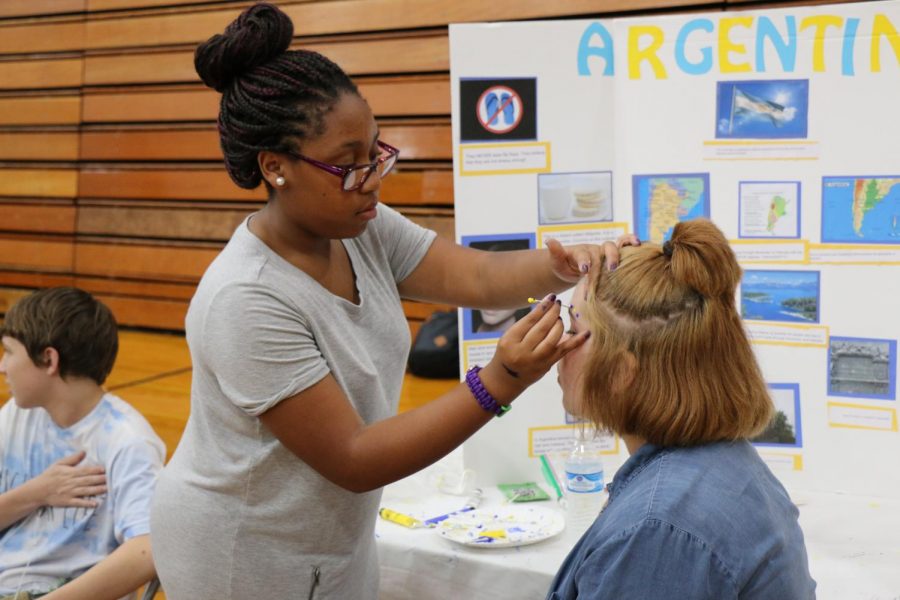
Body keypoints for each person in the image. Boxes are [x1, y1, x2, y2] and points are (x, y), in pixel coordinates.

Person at [149, 4, 635, 599]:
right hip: (242, 552)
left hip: (331, 537)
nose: (374, 179)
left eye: (375, 153)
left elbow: (480, 278)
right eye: (348, 165)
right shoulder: (245, 299)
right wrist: (500, 380)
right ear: (275, 168)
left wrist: (559, 265)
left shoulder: (360, 225)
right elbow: (355, 460)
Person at [549, 218, 816, 599]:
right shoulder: (725, 464)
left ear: (622, 372)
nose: (559, 347)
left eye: (573, 331)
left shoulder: (656, 530)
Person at [0, 287, 165, 600]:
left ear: (49, 359)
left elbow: (148, 549)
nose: (2, 366)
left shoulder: (127, 439)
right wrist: (37, 492)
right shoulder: (16, 416)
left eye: (8, 352)